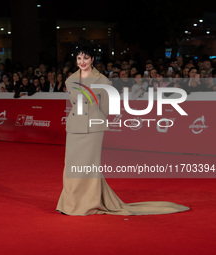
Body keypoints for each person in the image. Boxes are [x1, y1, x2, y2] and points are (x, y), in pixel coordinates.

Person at [56, 43, 190, 216]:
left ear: (92, 59)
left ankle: (87, 203)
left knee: (89, 167)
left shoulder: (103, 80)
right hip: (74, 127)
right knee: (71, 166)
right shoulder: (70, 80)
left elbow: (106, 107)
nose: (82, 61)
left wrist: (95, 119)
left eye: (86, 58)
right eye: (79, 58)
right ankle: (71, 203)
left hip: (93, 128)